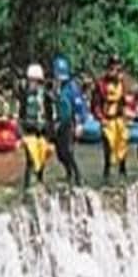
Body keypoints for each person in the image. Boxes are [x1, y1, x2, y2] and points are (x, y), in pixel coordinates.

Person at [92, 54, 132, 180]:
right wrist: (100, 118)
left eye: (117, 68)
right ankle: (107, 173)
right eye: (112, 68)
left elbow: (125, 101)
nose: (115, 71)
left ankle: (123, 172)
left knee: (123, 144)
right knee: (108, 148)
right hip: (107, 120)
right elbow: (95, 104)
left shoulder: (122, 82)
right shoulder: (101, 84)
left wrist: (128, 113)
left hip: (119, 119)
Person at [17, 62, 54, 191]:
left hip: (43, 133)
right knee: (30, 160)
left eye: (33, 80)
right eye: (30, 80)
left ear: (39, 81)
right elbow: (21, 116)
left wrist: (51, 139)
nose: (31, 83)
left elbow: (50, 117)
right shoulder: (25, 96)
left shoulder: (46, 96)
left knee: (41, 159)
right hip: (29, 132)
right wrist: (20, 135)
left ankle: (40, 181)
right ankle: (27, 186)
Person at [51, 55, 85, 187]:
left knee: (69, 151)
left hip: (70, 123)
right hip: (60, 122)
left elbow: (79, 106)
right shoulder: (56, 87)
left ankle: (78, 176)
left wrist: (80, 124)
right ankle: (68, 173)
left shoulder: (72, 88)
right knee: (60, 153)